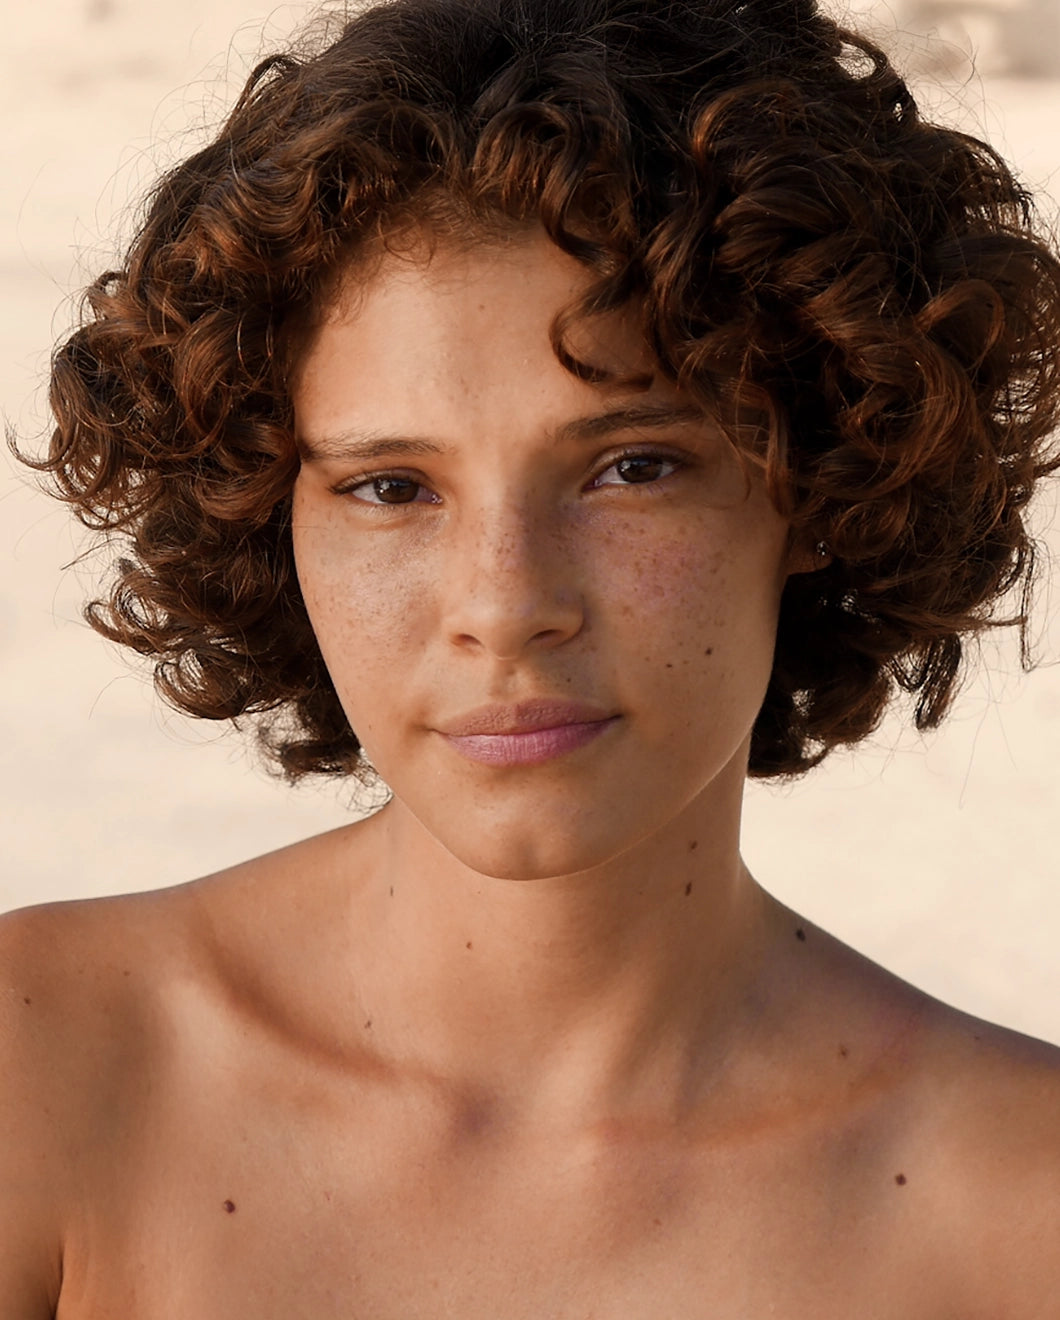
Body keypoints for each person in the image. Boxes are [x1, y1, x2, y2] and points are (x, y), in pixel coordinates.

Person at [4, 0, 1060, 1312]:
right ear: (272, 512)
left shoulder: (1023, 1215)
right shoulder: (44, 1070)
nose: (506, 605)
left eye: (632, 468)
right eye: (391, 486)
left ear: (822, 483)